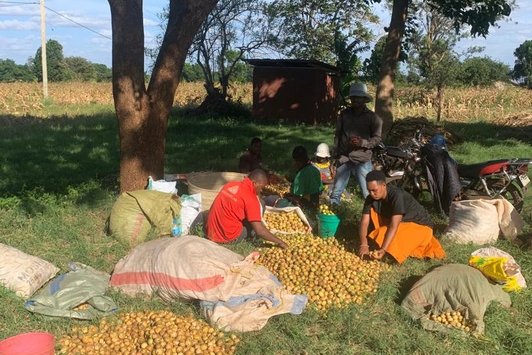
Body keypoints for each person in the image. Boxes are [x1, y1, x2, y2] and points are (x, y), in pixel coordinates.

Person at [358, 170, 446, 264]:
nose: (371, 194)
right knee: (375, 231)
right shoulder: (370, 198)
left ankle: (388, 251)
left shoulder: (397, 195)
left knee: (382, 233)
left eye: (374, 190)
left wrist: (383, 249)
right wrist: (364, 244)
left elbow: (393, 226)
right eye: (369, 190)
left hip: (420, 227)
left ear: (383, 185)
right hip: (401, 224)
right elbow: (364, 222)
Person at [206, 169, 288, 248]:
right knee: (253, 228)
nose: (261, 191)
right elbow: (260, 231)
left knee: (259, 204)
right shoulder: (250, 198)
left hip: (211, 231)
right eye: (261, 188)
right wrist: (280, 242)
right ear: (255, 183)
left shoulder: (231, 185)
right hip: (225, 237)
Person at [330, 82, 382, 204]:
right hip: (344, 156)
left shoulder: (373, 118)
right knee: (336, 190)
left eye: (358, 97)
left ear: (364, 99)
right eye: (353, 97)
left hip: (362, 158)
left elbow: (377, 138)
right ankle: (332, 211)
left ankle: (372, 214)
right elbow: (338, 134)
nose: (355, 100)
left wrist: (363, 142)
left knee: (368, 192)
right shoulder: (344, 115)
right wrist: (335, 155)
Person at [283, 146, 323, 210]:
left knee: (284, 200)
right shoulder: (315, 170)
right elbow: (320, 190)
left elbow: (296, 199)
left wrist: (288, 198)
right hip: (316, 204)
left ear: (296, 161)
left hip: (306, 207)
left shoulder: (300, 175)